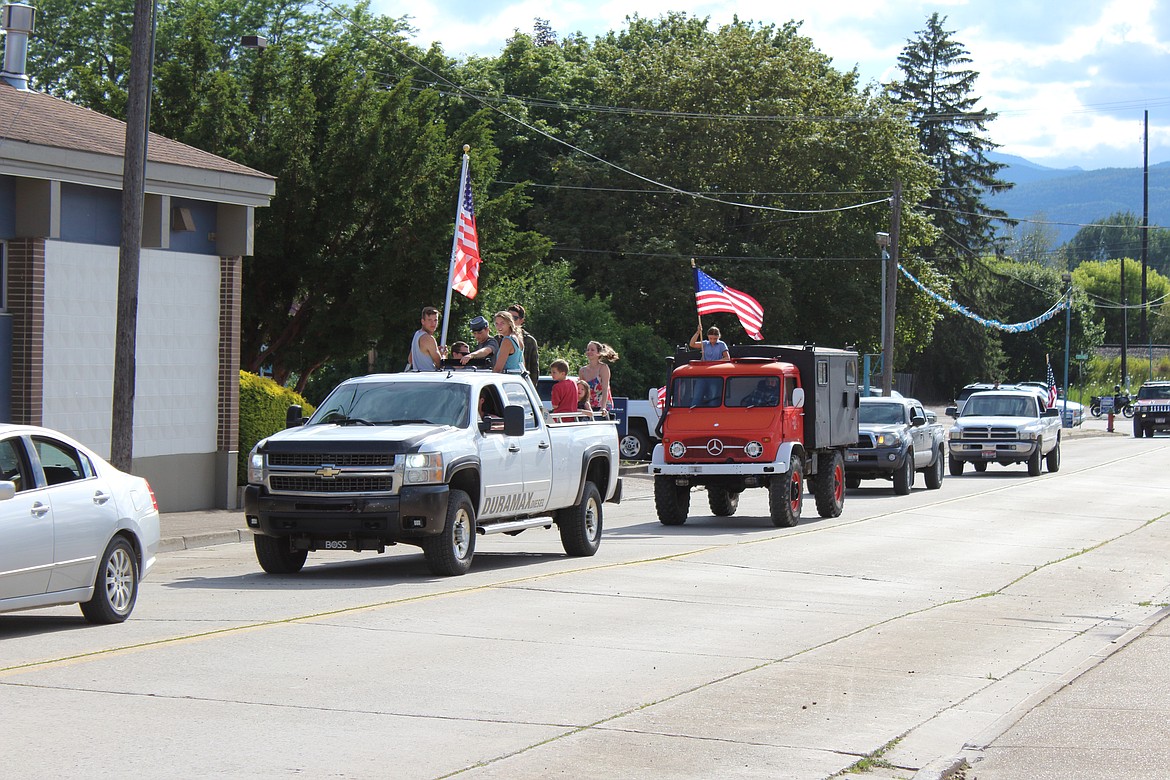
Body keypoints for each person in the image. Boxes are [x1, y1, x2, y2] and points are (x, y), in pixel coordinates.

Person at [579, 341, 618, 414]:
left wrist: (603, 407)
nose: (589, 352)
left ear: (598, 353)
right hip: (589, 407)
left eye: (592, 350)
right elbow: (582, 391)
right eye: (588, 349)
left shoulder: (603, 368)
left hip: (603, 405)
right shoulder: (582, 370)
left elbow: (605, 389)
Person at [508, 304, 539, 378]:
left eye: (514, 318)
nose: (510, 321)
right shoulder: (498, 339)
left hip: (520, 383)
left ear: (521, 321)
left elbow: (534, 368)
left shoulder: (529, 341)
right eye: (508, 317)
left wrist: (531, 388)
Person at [408, 306, 443, 371]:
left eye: (435, 320)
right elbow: (441, 365)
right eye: (429, 320)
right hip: (429, 377)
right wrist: (443, 355)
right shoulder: (428, 338)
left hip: (418, 376)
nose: (433, 323)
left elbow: (410, 360)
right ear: (423, 321)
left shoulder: (417, 334)